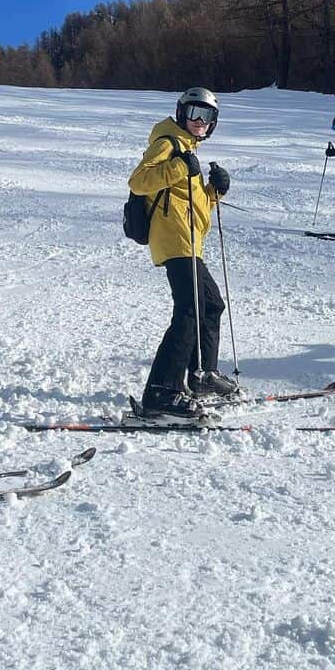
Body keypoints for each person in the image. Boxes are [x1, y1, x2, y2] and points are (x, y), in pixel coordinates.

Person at [129, 87, 236, 420]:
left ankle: (201, 373)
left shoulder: (187, 149)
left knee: (211, 304)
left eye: (207, 117)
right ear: (181, 113)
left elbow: (194, 203)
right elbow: (138, 182)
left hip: (189, 241)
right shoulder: (168, 143)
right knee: (189, 308)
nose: (200, 122)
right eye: (194, 114)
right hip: (173, 239)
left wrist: (214, 191)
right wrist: (179, 168)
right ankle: (161, 392)